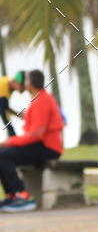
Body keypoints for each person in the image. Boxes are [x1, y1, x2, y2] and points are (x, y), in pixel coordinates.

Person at [0, 69, 64, 212]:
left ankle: (24, 197)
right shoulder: (39, 99)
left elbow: (36, 135)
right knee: (2, 153)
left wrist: (10, 141)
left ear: (29, 83)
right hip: (41, 145)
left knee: (4, 155)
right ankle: (12, 196)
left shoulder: (42, 100)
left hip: (47, 148)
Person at [0, 71, 25, 138]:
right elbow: (4, 116)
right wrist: (14, 137)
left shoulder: (8, 82)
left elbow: (5, 107)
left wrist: (18, 114)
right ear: (15, 82)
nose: (24, 89)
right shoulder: (3, 88)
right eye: (22, 86)